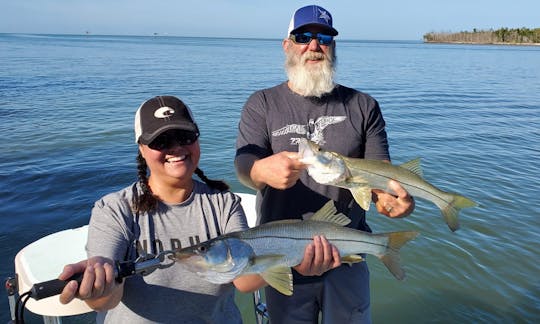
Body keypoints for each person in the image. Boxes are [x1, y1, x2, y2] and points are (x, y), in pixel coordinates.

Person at [235, 5, 415, 324]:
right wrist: (261, 171)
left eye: (324, 38)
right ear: (287, 44)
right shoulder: (261, 103)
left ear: (333, 47)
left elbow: (379, 170)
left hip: (346, 253)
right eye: (303, 37)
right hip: (281, 253)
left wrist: (390, 199)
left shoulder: (363, 106)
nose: (314, 46)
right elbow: (244, 162)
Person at [58, 95, 266, 323]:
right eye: (161, 141)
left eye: (185, 136)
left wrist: (295, 258)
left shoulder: (224, 204)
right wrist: (98, 285)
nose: (176, 148)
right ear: (142, 149)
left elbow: (244, 279)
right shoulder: (115, 210)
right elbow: (107, 301)